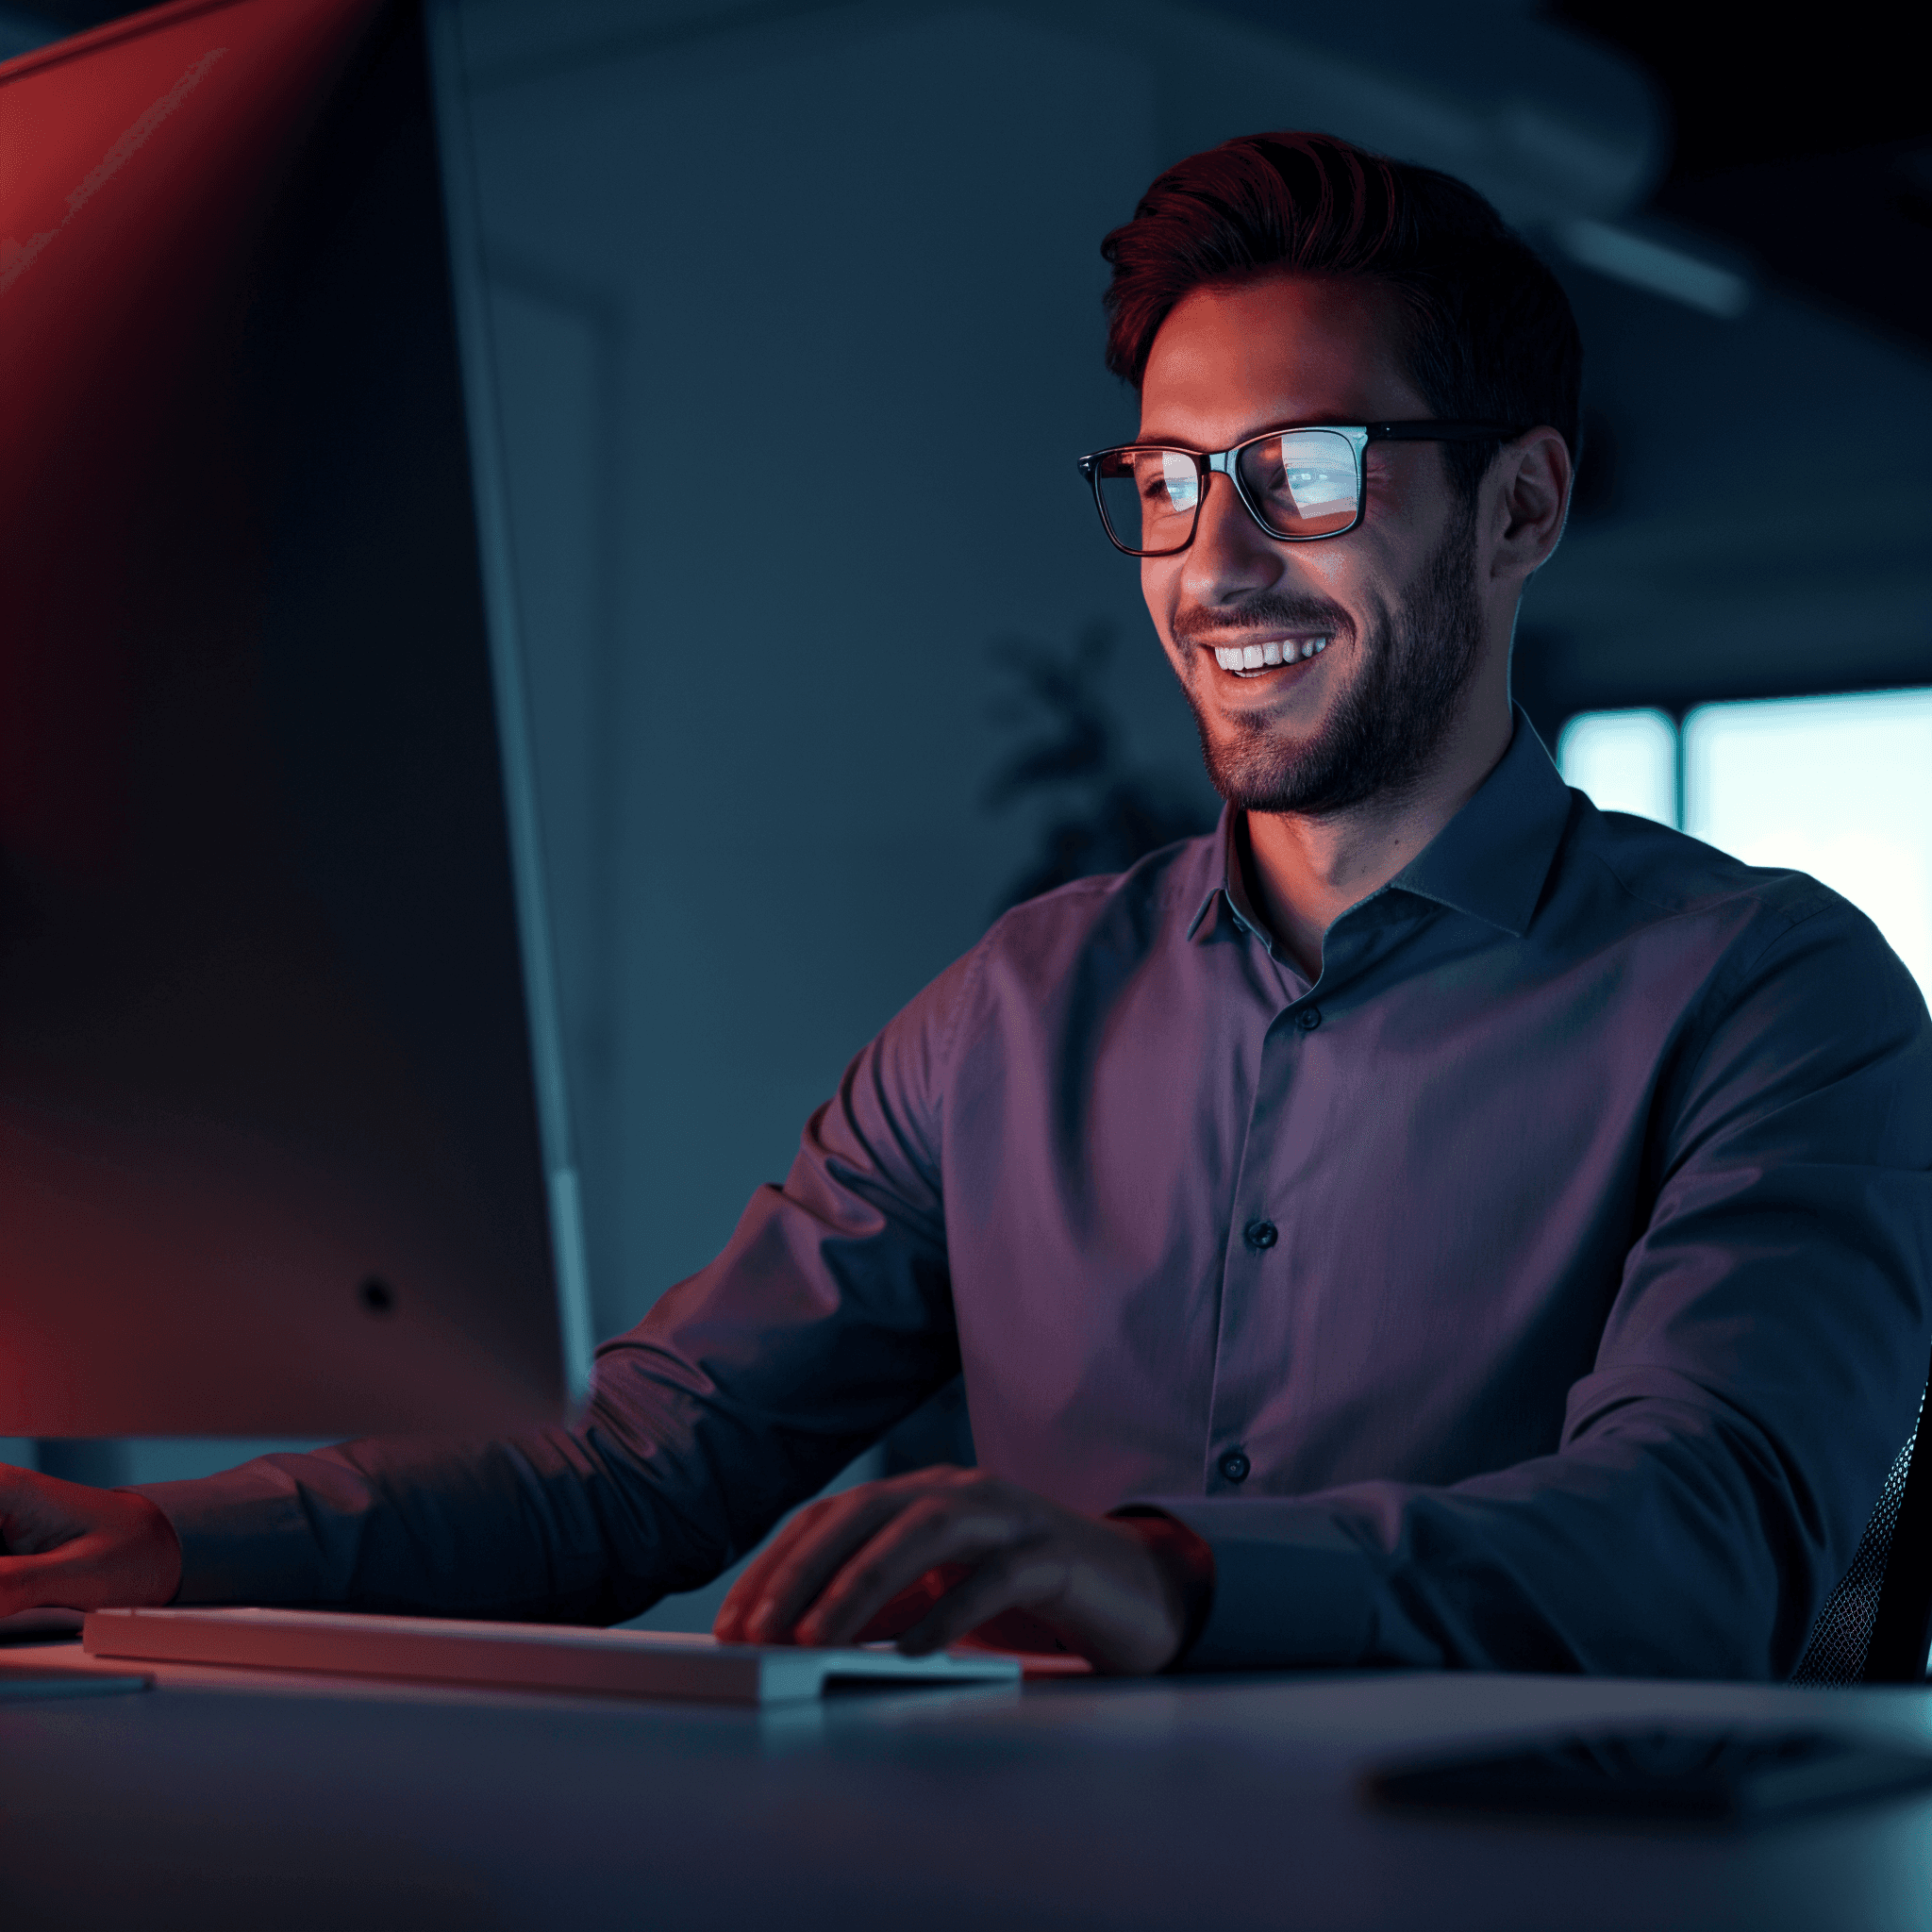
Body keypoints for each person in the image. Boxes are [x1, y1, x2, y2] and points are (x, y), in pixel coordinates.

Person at [4, 132, 1929, 1678]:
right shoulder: (1018, 1006)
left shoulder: (1771, 994)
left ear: (1518, 510)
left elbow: (1707, 1534)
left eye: (1302, 473)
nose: (1214, 560)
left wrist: (1173, 1581)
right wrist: (175, 1536)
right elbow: (645, 1466)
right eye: (1166, 482)